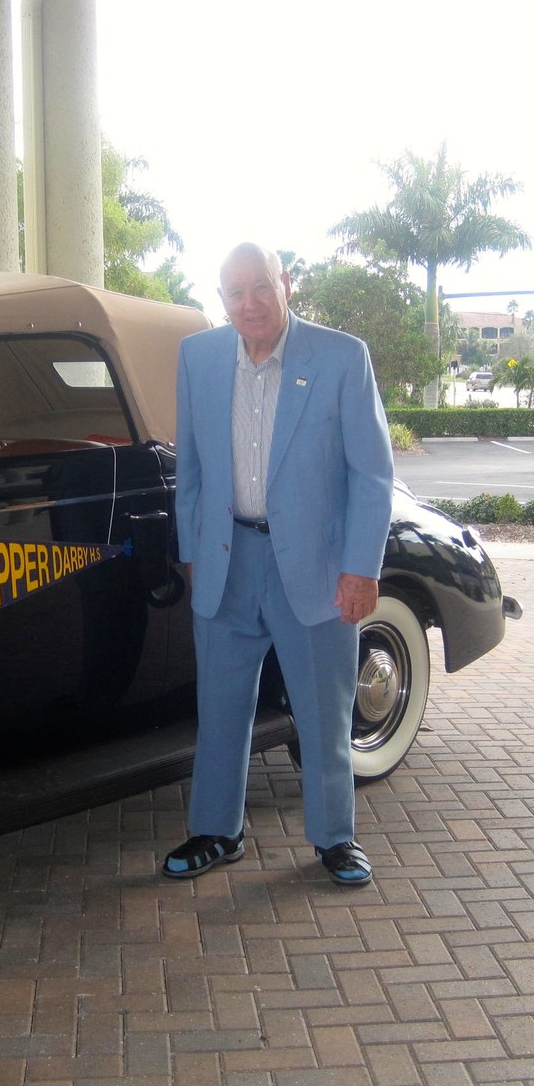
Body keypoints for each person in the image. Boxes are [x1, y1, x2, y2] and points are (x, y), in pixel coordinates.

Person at [165, 242, 394, 886]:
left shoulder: (341, 357)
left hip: (317, 567)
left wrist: (361, 567)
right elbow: (191, 470)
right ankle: (217, 831)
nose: (250, 304)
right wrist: (191, 552)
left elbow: (371, 474)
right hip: (227, 560)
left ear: (285, 283)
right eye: (235, 292)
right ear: (222, 299)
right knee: (220, 708)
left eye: (261, 286)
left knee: (323, 710)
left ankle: (334, 836)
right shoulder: (199, 357)